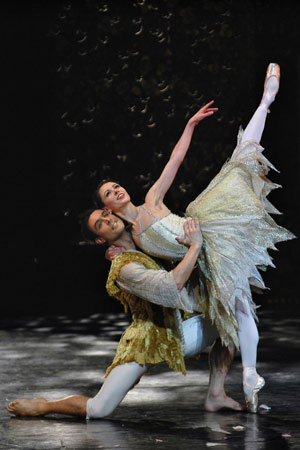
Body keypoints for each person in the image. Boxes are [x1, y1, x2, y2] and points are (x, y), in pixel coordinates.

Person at [93, 63, 295, 412]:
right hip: (203, 259)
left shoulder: (151, 201)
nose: (118, 190)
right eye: (110, 193)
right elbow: (128, 256)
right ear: (107, 208)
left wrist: (189, 126)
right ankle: (247, 380)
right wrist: (112, 253)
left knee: (237, 166)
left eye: (117, 185)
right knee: (240, 312)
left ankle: (266, 102)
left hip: (209, 229)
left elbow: (175, 160)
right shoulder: (132, 239)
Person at [6, 210, 243, 419]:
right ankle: (44, 406)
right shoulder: (124, 267)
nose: (107, 220)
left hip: (177, 330)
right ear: (101, 239)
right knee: (99, 409)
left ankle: (215, 393)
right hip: (147, 340)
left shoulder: (147, 239)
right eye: (100, 223)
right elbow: (172, 287)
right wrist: (195, 245)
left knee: (234, 318)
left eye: (106, 214)